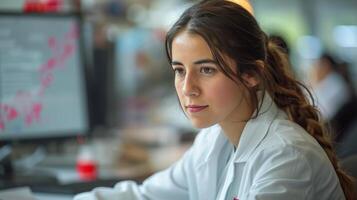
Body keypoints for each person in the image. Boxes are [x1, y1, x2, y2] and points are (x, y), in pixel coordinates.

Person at [74, 0, 355, 199]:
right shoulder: (212, 139)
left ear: (251, 74)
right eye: (179, 70)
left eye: (206, 70)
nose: (187, 88)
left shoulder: (287, 156)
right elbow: (145, 196)